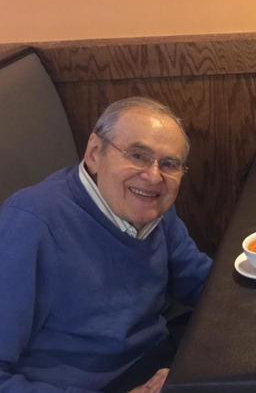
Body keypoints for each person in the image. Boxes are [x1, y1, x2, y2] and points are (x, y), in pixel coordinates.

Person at [0, 97, 213, 393]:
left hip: (159, 359)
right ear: (94, 152)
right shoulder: (31, 223)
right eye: (137, 155)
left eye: (169, 164)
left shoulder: (153, 207)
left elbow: (201, 282)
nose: (153, 176)